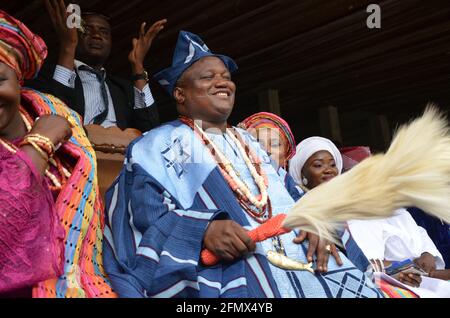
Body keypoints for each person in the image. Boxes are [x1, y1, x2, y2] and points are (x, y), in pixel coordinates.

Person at [101, 30, 382, 298]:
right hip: (228, 262)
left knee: (344, 270)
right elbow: (143, 215)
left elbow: (294, 197)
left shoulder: (252, 143)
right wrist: (203, 230)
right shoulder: (158, 145)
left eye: (225, 76)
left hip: (299, 248)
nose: (223, 82)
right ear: (180, 94)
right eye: (208, 77)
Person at [0, 10, 115, 298]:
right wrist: (39, 144)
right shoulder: (49, 129)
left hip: (85, 279)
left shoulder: (58, 112)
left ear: (18, 80)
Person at [288, 136, 449, 297]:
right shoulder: (301, 209)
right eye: (318, 165)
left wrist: (426, 256)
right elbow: (360, 259)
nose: (329, 169)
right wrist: (393, 269)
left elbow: (414, 237)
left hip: (392, 278)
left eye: (332, 164)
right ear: (302, 173)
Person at [27, 0, 165, 132]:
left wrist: (138, 66)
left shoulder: (123, 89)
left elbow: (150, 128)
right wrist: (68, 47)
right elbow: (54, 114)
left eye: (104, 32)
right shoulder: (46, 75)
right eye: (87, 30)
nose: (97, 35)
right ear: (74, 34)